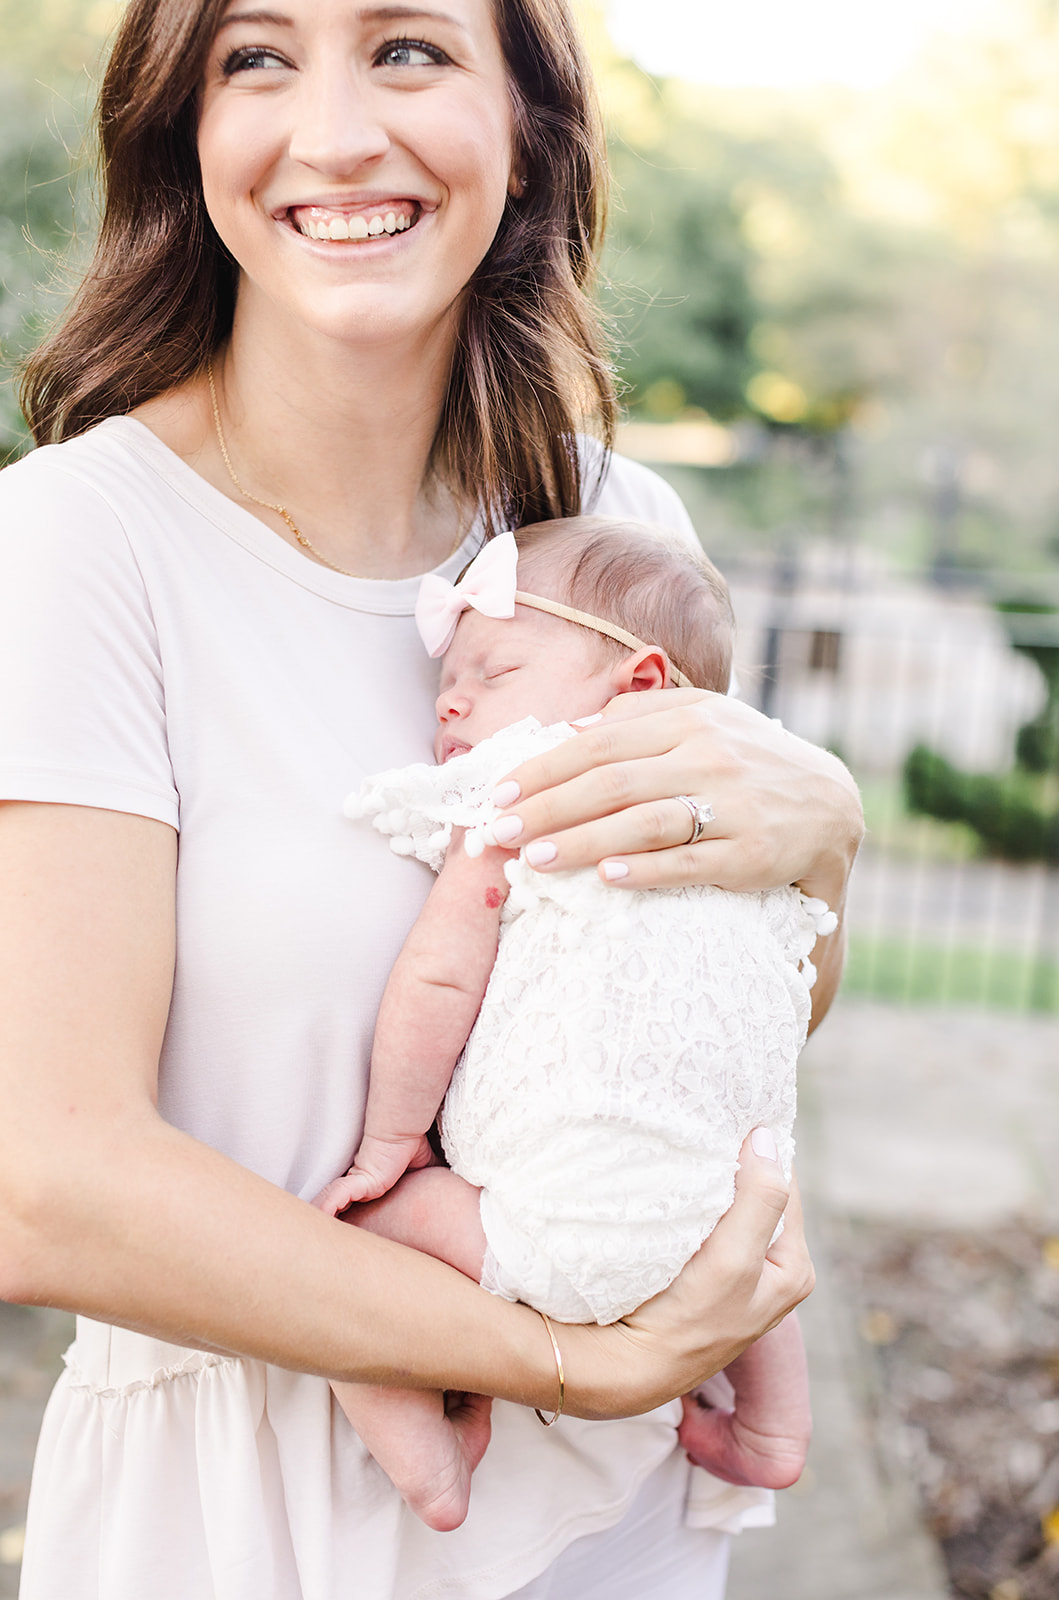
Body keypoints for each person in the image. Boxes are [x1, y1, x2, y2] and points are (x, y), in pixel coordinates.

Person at [0, 0, 860, 1595]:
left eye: (407, 48)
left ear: (525, 124)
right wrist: (556, 1354)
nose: (334, 133)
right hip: (244, 1515)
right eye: (256, 56)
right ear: (184, 132)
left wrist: (824, 848)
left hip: (611, 1514)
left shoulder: (611, 526)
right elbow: (43, 1183)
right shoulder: (77, 545)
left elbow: (712, 996)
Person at [315, 516, 826, 1533]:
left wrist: (387, 1147)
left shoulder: (526, 792)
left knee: (347, 1241)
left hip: (551, 1225)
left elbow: (437, 982)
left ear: (637, 686)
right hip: (722, 1228)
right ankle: (771, 1429)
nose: (451, 698)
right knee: (762, 1213)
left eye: (492, 669)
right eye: (446, 679)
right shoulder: (745, 831)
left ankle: (429, 1457)